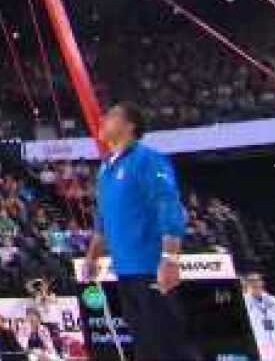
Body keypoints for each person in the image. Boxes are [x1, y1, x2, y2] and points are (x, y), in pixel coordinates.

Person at [82, 102, 195, 360]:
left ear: (129, 126)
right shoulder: (105, 168)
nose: (102, 119)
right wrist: (92, 256)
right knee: (145, 346)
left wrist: (170, 259)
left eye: (110, 116)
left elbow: (168, 205)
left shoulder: (147, 159)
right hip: (125, 270)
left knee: (169, 345)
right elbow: (103, 218)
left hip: (150, 266)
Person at [243, 273, 275, 361]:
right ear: (247, 284)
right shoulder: (244, 302)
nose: (255, 284)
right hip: (260, 344)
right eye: (251, 281)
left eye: (257, 280)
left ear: (262, 283)